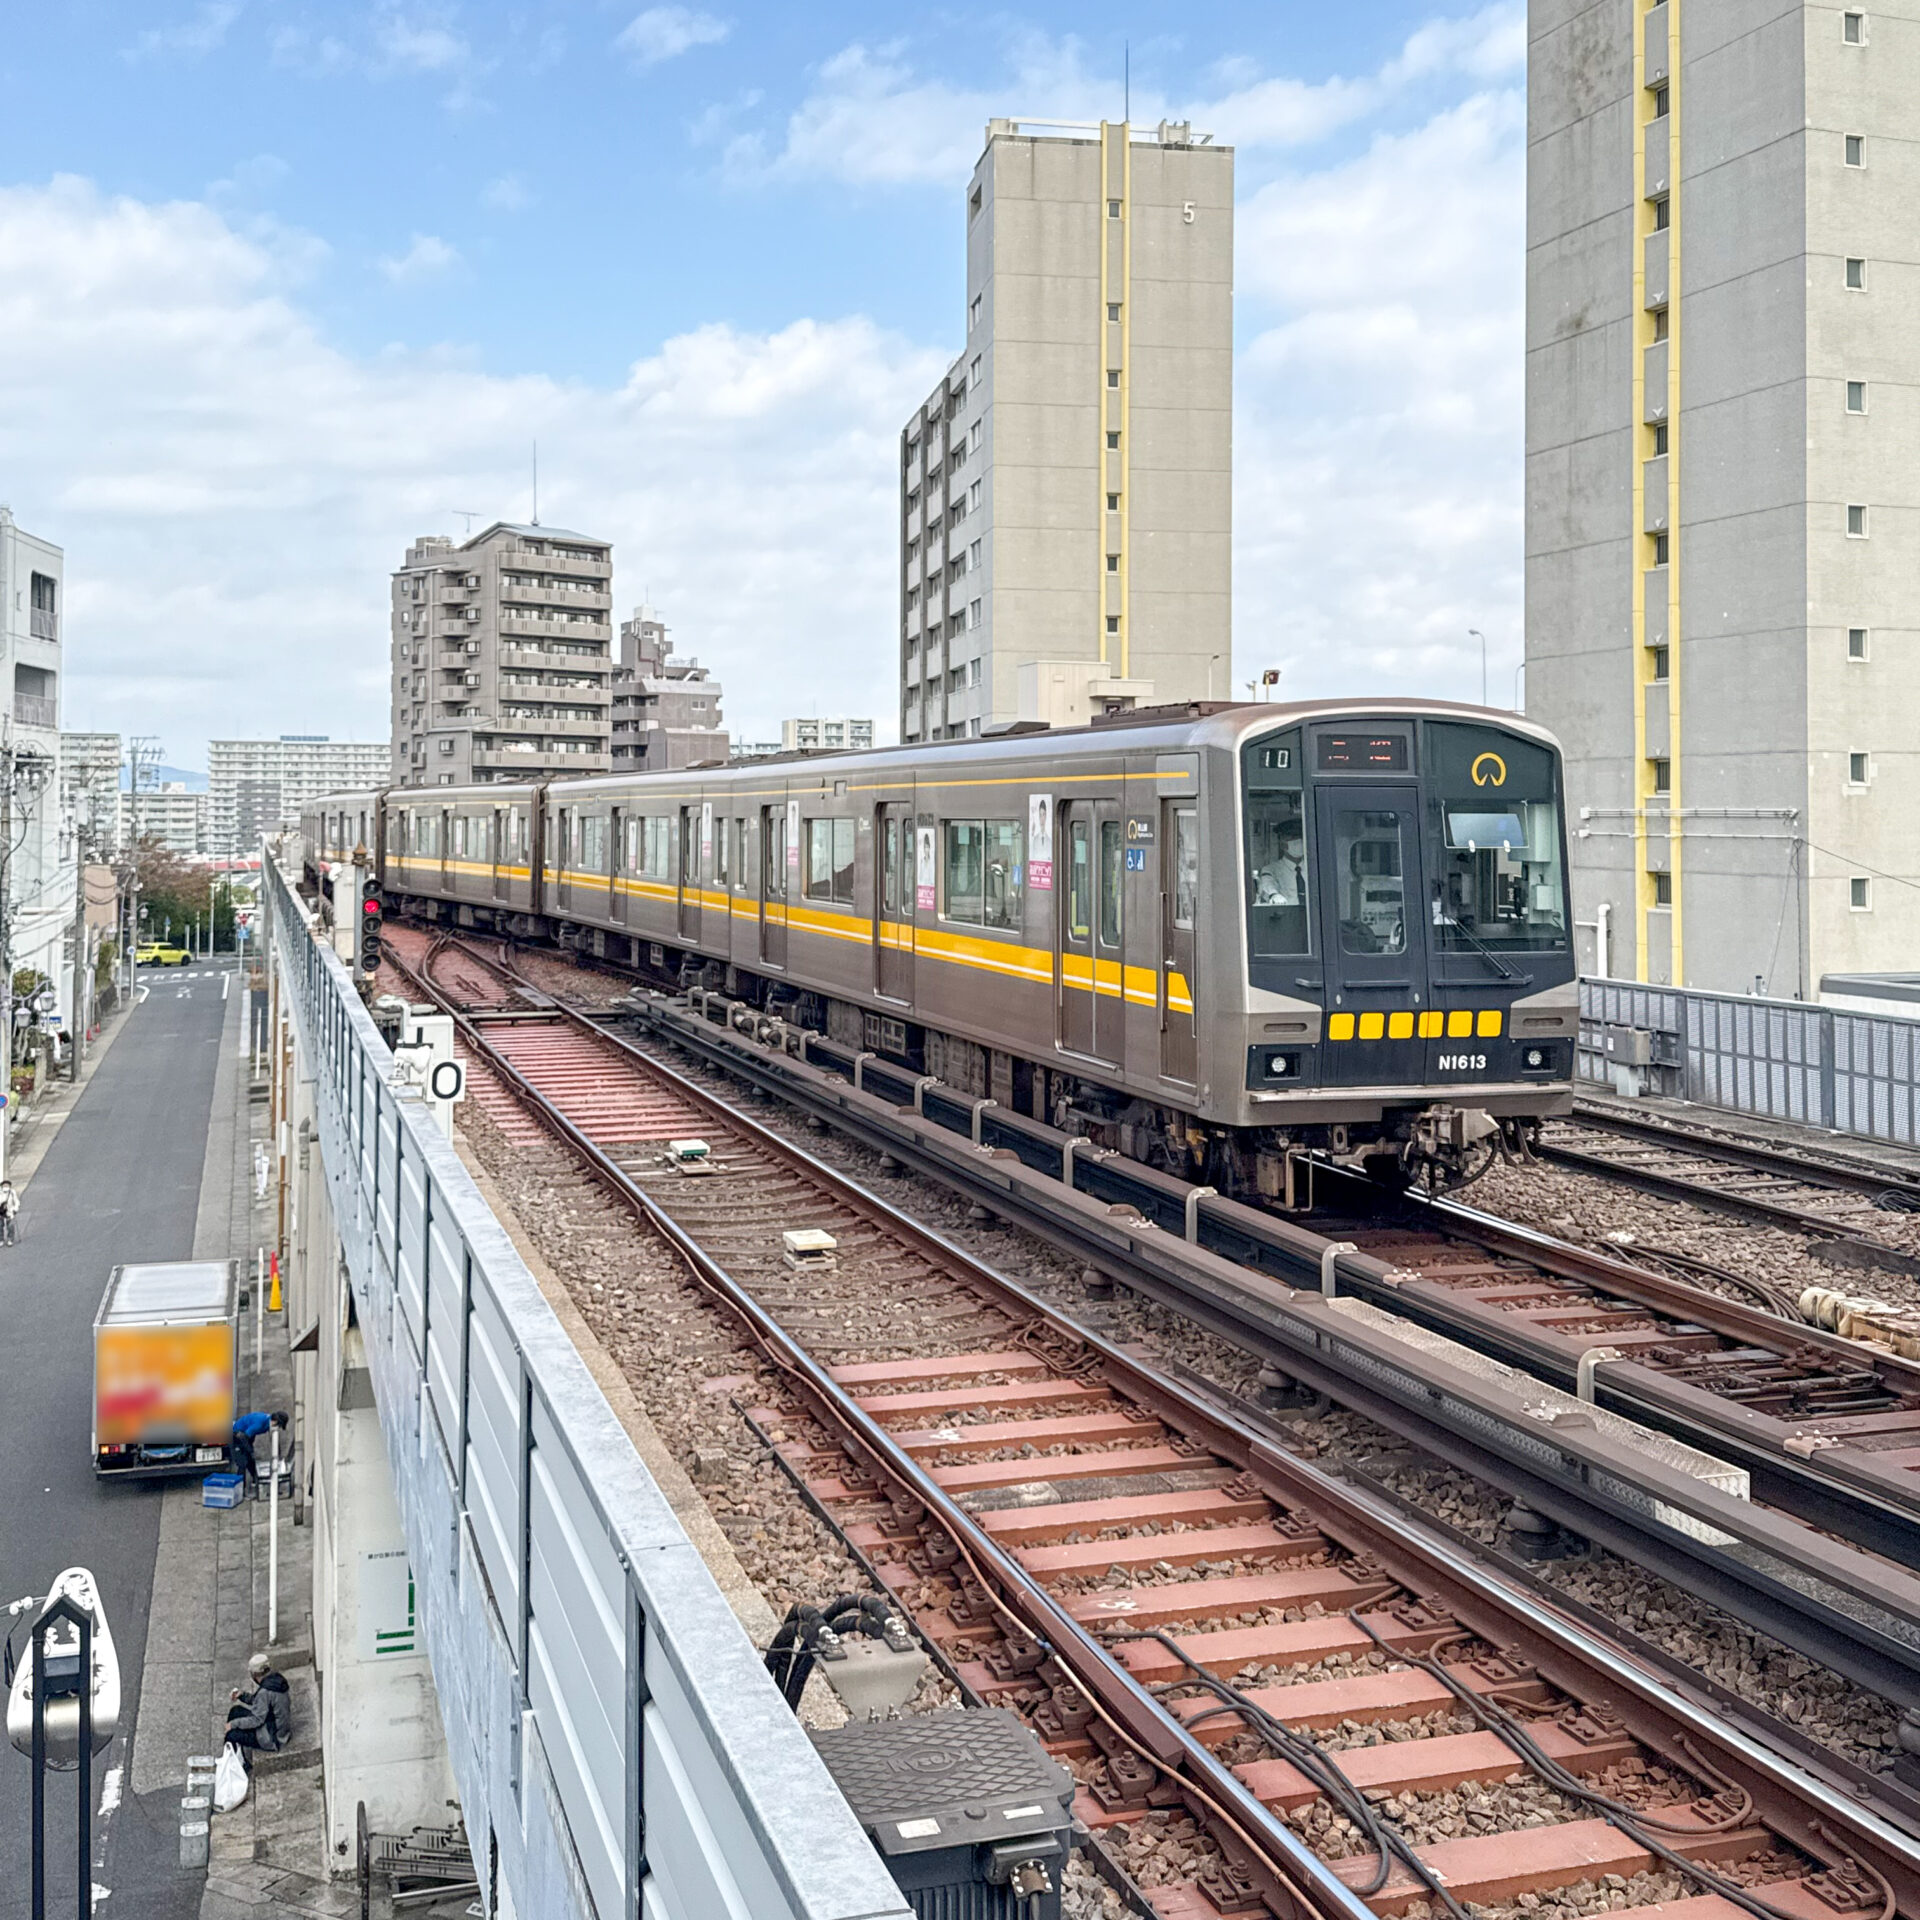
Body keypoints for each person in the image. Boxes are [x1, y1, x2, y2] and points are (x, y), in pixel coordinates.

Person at [225, 1653, 292, 1765]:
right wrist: (242, 1695)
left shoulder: (265, 1691)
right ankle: (236, 1755)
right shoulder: (276, 1680)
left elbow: (257, 1720)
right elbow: (261, 1703)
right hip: (279, 1730)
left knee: (231, 1734)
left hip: (271, 1737)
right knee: (236, 1710)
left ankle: (234, 1765)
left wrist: (233, 1724)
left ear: (254, 1674)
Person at [230, 1409, 287, 1490]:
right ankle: (240, 1490)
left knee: (251, 1461)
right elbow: (242, 1437)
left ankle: (256, 1482)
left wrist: (278, 1454)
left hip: (246, 1436)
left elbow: (273, 1439)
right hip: (236, 1436)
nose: (278, 1428)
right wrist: (251, 1451)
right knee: (242, 1463)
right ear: (275, 1422)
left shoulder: (269, 1422)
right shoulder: (259, 1424)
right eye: (279, 1426)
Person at [0, 1180, 18, 1246]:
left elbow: (16, 1202)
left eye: (7, 1186)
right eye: (4, 1186)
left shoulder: (12, 1193)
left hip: (10, 1212)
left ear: (10, 1186)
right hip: (0, 1212)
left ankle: (10, 1239)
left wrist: (15, 1209)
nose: (5, 1187)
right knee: (0, 1226)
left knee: (10, 1226)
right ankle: (1, 1240)